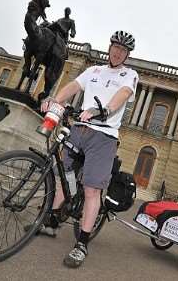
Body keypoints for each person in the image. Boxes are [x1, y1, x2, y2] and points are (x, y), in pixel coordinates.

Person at [40, 30, 138, 268]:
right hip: (79, 129)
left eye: (123, 50)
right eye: (115, 47)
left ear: (127, 55)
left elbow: (123, 95)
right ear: (110, 47)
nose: (118, 52)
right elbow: (73, 86)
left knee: (92, 190)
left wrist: (103, 110)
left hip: (104, 136)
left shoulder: (129, 74)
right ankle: (51, 223)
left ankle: (82, 243)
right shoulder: (93, 70)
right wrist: (56, 100)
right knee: (64, 175)